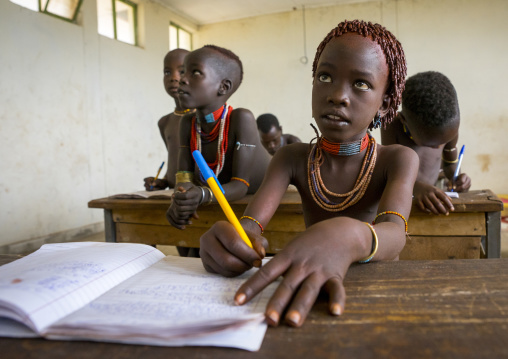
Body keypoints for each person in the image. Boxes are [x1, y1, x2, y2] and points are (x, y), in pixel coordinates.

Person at [199, 20, 418, 327]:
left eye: (361, 83)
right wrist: (233, 241)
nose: (338, 95)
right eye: (325, 77)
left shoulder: (397, 159)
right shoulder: (291, 158)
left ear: (384, 103)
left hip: (374, 289)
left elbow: (395, 235)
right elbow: (250, 226)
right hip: (309, 286)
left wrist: (347, 233)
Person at [167, 45, 271, 234]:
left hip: (264, 189)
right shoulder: (187, 122)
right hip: (218, 195)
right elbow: (184, 176)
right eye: (183, 72)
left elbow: (240, 186)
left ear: (223, 87)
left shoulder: (241, 118)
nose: (182, 79)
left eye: (195, 73)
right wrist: (181, 196)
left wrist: (201, 194)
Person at [381, 71, 471, 215]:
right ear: (405, 121)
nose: (439, 147)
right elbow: (389, 174)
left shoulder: (449, 129)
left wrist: (457, 179)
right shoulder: (393, 127)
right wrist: (416, 188)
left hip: (432, 199)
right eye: (430, 144)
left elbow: (450, 163)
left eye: (444, 141)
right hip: (400, 200)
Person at [143, 48, 194, 191]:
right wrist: (163, 181)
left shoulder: (204, 119)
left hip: (199, 198)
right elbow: (177, 162)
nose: (174, 78)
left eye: (182, 71)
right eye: (167, 72)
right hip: (173, 196)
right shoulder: (164, 122)